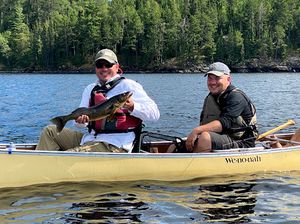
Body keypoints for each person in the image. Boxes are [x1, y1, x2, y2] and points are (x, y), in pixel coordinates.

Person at [36, 49, 160, 153]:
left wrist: (133, 107)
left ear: (117, 67)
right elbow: (80, 125)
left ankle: (51, 167)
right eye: (100, 65)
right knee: (50, 131)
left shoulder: (129, 86)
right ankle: (39, 166)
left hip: (115, 144)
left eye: (108, 65)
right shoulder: (90, 89)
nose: (104, 68)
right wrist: (80, 122)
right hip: (90, 139)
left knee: (74, 154)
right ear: (95, 68)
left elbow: (155, 114)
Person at [170, 62, 258, 153]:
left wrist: (196, 131)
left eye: (217, 78)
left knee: (205, 137)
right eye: (210, 78)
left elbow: (225, 122)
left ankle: (195, 165)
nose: (212, 82)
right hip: (219, 139)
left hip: (241, 142)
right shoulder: (212, 97)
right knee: (175, 145)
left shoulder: (236, 97)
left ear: (228, 79)